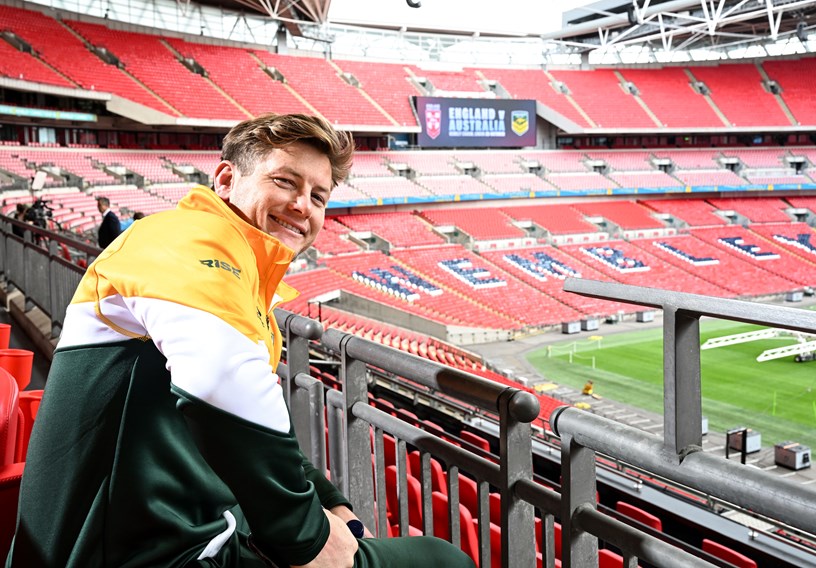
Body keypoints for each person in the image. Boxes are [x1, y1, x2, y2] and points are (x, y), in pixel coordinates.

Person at [8, 113, 474, 568]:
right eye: (286, 182)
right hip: (132, 552)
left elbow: (255, 424)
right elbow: (220, 384)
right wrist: (308, 537)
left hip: (165, 529)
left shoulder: (238, 280)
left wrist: (332, 505)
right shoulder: (186, 238)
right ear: (226, 179)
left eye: (318, 196)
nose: (303, 206)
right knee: (442, 558)